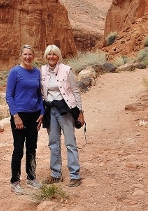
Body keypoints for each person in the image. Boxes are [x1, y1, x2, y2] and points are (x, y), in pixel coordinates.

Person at [40, 44, 84, 188]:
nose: (51, 57)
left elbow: (75, 91)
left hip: (65, 109)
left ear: (58, 56)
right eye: (49, 54)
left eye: (54, 54)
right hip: (50, 109)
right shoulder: (43, 71)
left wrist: (81, 112)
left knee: (70, 143)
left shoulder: (66, 70)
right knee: (53, 144)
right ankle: (55, 174)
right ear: (46, 56)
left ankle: (75, 175)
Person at [5, 44, 44, 195]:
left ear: (34, 56)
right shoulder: (15, 72)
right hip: (19, 116)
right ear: (20, 55)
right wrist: (16, 116)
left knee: (32, 148)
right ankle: (15, 181)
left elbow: (39, 94)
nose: (28, 57)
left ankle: (31, 177)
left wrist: (42, 111)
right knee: (18, 149)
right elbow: (9, 95)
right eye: (25, 54)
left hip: (34, 115)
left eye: (30, 54)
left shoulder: (36, 72)